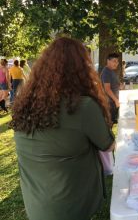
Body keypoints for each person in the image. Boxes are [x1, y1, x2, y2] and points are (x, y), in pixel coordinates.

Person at [10, 37, 115, 220]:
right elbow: (108, 145)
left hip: (36, 204)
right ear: (82, 69)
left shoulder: (23, 103)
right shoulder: (84, 106)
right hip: (71, 206)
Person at [101, 53, 120, 125]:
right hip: (109, 103)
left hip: (113, 102)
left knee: (111, 124)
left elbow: (113, 84)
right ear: (108, 61)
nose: (116, 63)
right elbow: (107, 89)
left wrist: (120, 86)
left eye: (117, 61)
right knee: (109, 124)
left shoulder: (111, 71)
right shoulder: (106, 72)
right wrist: (116, 100)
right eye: (114, 61)